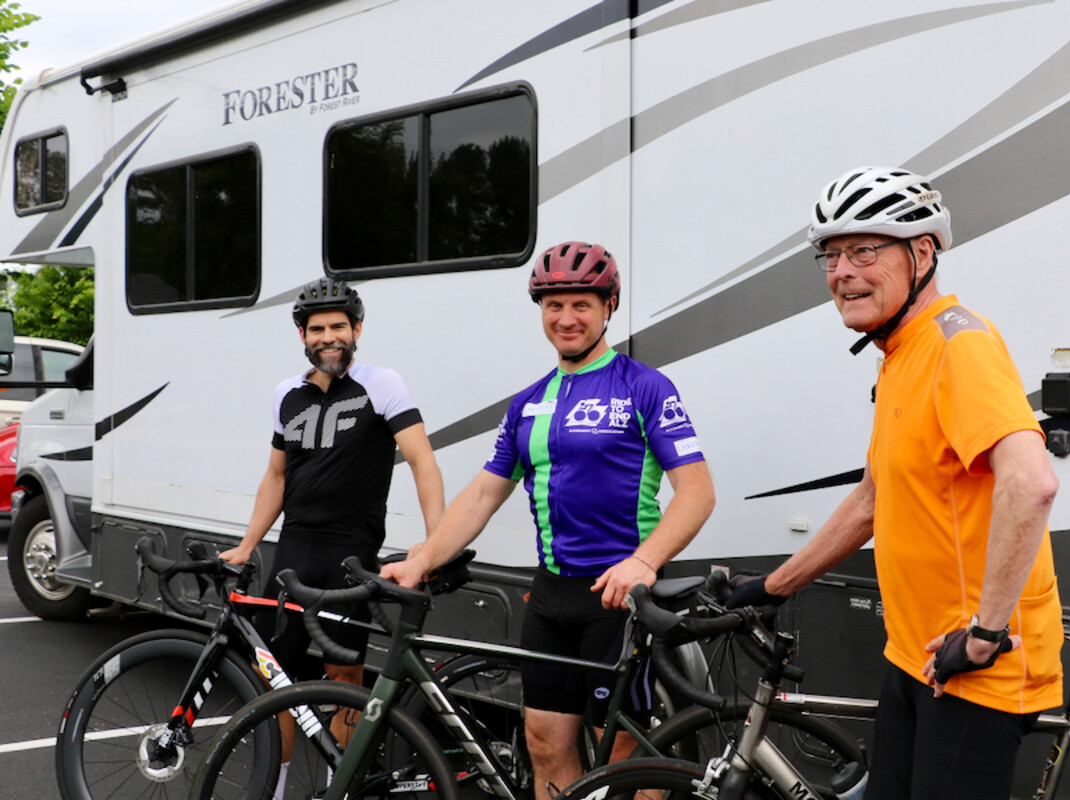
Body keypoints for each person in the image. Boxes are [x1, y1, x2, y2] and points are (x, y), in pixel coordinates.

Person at [728, 167, 1063, 799]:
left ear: (922, 253)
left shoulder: (957, 344)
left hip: (973, 670)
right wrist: (772, 587)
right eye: (831, 256)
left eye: (863, 251)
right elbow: (873, 499)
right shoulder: (900, 353)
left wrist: (985, 635)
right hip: (914, 656)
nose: (841, 272)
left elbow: (1031, 483)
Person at [383, 241, 715, 800]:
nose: (566, 318)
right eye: (553, 305)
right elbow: (483, 495)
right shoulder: (528, 403)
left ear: (609, 307)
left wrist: (644, 562)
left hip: (617, 596)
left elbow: (697, 491)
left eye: (582, 304)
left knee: (621, 754)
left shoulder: (643, 386)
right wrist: (422, 559)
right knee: (543, 742)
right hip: (551, 595)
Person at [220, 276, 445, 691]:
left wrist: (436, 545)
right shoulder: (287, 393)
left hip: (351, 554)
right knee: (271, 673)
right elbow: (276, 476)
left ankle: (343, 740)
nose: (328, 338)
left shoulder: (382, 384)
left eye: (338, 327)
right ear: (302, 335)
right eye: (317, 329)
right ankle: (285, 741)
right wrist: (248, 545)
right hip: (293, 548)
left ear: (356, 329)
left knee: (344, 676)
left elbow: (422, 463)